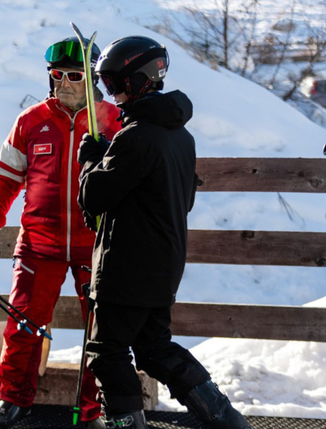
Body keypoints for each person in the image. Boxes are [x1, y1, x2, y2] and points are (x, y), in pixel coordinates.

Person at [77, 36, 251, 429]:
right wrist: (109, 160)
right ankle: (225, 418)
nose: (111, 93)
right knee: (154, 348)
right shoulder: (179, 136)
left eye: (114, 83)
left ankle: (125, 423)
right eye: (105, 84)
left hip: (127, 268)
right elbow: (179, 199)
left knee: (106, 351)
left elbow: (94, 196)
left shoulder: (136, 136)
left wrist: (90, 161)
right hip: (162, 266)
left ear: (137, 80)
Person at [0, 36, 122, 429]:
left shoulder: (113, 120)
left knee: (100, 332)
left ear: (91, 77)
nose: (64, 83)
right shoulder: (31, 121)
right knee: (24, 324)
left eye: (74, 75)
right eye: (57, 75)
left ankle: (91, 410)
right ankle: (14, 399)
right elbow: (5, 180)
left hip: (97, 246)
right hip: (40, 244)